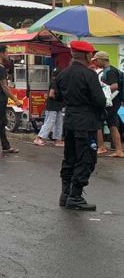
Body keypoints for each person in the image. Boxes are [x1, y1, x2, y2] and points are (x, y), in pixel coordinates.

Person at [54, 40, 107, 211]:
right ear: (87, 55)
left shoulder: (63, 74)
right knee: (86, 159)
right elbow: (100, 100)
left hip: (69, 121)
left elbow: (57, 97)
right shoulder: (89, 75)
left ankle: (65, 194)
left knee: (69, 158)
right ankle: (75, 196)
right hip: (86, 122)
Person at [94, 51, 124, 157]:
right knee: (111, 124)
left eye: (96, 60)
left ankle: (114, 149)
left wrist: (101, 92)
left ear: (102, 60)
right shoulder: (109, 70)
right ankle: (113, 148)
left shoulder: (110, 71)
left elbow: (114, 86)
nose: (95, 62)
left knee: (106, 124)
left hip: (110, 102)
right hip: (112, 102)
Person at [34, 69, 65, 147]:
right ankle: (39, 138)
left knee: (58, 123)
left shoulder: (54, 82)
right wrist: (59, 99)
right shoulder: (55, 83)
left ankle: (58, 140)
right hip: (53, 106)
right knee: (49, 122)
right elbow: (51, 94)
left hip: (56, 106)